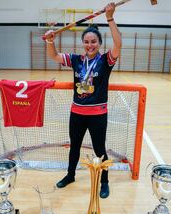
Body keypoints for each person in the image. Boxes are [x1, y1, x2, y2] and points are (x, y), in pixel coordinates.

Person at [44, 2, 122, 199]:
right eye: (86, 42)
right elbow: (53, 56)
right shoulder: (76, 60)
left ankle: (104, 182)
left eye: (93, 41)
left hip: (98, 115)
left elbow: (118, 44)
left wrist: (110, 18)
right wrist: (50, 41)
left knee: (99, 150)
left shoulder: (105, 61)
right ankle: (70, 175)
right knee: (74, 147)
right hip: (77, 113)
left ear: (99, 43)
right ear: (83, 43)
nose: (90, 45)